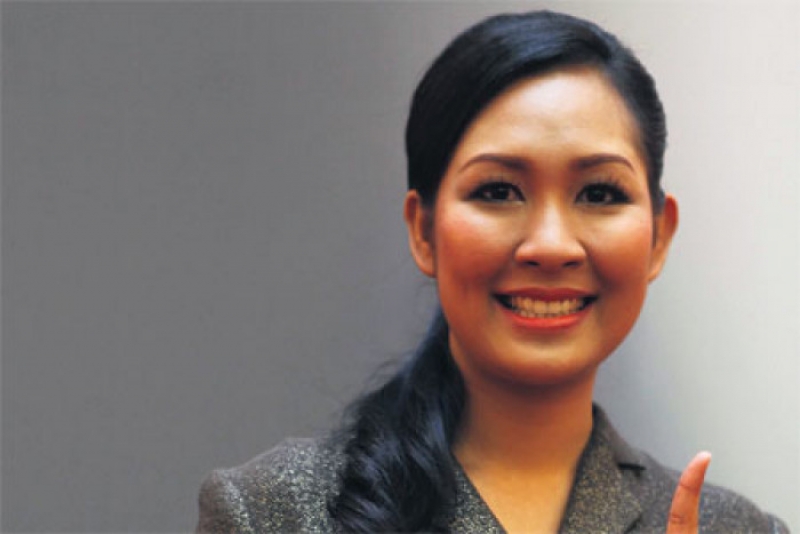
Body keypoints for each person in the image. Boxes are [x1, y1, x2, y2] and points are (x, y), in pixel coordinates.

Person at [196, 10, 788, 533]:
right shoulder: (273, 514)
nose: (551, 246)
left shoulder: (736, 530)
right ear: (423, 230)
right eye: (498, 191)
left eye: (600, 193)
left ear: (659, 236)